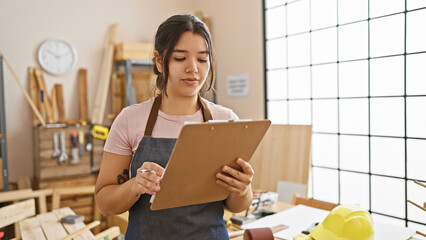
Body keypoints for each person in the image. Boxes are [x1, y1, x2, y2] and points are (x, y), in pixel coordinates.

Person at [95, 14, 254, 239]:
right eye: (180, 58)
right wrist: (135, 186)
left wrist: (243, 188)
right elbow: (104, 203)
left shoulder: (226, 120)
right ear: (159, 61)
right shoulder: (130, 120)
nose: (193, 68)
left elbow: (237, 206)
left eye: (202, 59)